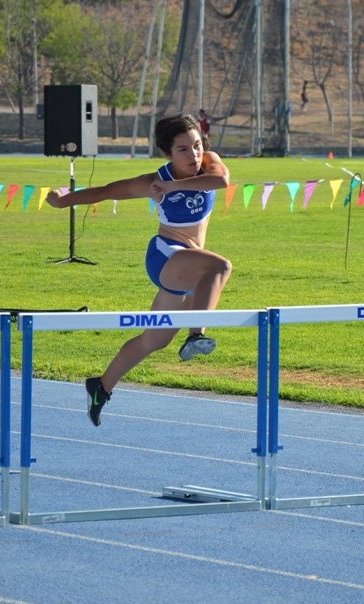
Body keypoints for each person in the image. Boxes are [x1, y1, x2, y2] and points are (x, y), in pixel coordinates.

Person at [46, 113, 231, 426]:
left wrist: (172, 187)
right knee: (219, 266)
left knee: (154, 340)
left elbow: (221, 181)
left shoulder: (208, 164)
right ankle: (196, 334)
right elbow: (104, 191)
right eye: (183, 149)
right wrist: (62, 203)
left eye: (197, 145)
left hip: (189, 266)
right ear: (168, 153)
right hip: (166, 256)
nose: (194, 154)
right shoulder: (151, 182)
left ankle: (100, 387)